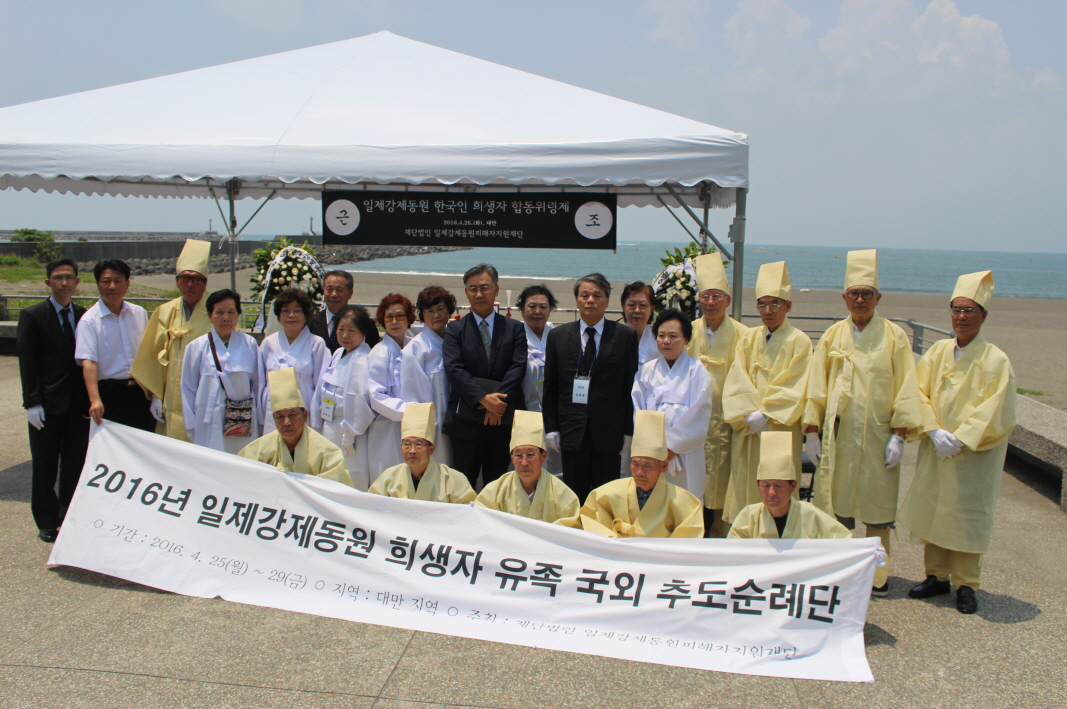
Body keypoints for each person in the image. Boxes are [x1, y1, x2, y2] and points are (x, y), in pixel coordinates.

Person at [803, 250, 922, 595]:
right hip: (838, 436)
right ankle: (840, 569)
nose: (859, 300)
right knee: (835, 504)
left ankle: (877, 576)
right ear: (844, 297)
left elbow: (906, 387)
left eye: (866, 294)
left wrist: (899, 435)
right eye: (854, 293)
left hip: (877, 434)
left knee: (877, 508)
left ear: (878, 298)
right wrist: (812, 429)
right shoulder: (832, 336)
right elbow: (817, 384)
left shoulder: (894, 336)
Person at [897, 271, 1016, 614]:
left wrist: (961, 438)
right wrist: (933, 430)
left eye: (969, 310)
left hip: (973, 454)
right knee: (935, 508)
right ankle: (936, 576)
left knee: (966, 514)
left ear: (983, 315)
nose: (962, 317)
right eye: (956, 310)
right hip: (937, 446)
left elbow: (997, 407)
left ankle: (966, 583)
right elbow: (917, 392)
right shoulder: (937, 352)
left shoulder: (995, 359)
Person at [721, 261, 811, 525]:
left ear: (788, 306)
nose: (768, 311)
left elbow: (797, 383)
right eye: (762, 304)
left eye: (775, 304)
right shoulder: (749, 338)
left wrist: (766, 412)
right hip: (749, 426)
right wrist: (749, 413)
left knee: (777, 488)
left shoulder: (800, 341)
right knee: (745, 487)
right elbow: (737, 377)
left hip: (780, 429)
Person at [543, 273, 639, 501]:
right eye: (584, 295)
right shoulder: (558, 336)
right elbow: (551, 388)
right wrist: (551, 427)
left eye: (597, 295)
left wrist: (628, 430)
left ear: (607, 300)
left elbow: (630, 388)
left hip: (609, 431)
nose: (590, 300)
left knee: (607, 496)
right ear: (576, 299)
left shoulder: (625, 336)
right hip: (571, 430)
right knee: (574, 494)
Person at [17, 258, 90, 543]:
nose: (64, 283)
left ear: (76, 282)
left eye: (69, 277)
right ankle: (46, 521)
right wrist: (31, 403)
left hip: (77, 404)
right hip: (46, 404)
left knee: (74, 463)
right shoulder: (33, 316)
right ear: (48, 282)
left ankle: (68, 514)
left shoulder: (85, 315)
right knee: (45, 465)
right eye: (58, 277)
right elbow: (28, 363)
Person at [443, 264, 527, 489]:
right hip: (465, 422)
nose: (479, 294)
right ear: (466, 292)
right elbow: (454, 369)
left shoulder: (514, 328)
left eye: (484, 287)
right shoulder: (455, 329)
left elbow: (518, 367)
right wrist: (483, 398)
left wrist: (498, 403)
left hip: (502, 419)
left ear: (496, 290)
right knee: (462, 486)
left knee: (498, 486)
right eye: (473, 288)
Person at [558, 410, 703, 538]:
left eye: (648, 465)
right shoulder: (607, 494)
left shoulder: (684, 503)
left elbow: (687, 540)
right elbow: (591, 518)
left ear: (663, 466)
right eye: (635, 464)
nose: (640, 472)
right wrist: (611, 539)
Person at [686, 252, 749, 537]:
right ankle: (692, 531)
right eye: (705, 297)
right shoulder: (688, 333)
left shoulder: (745, 335)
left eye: (716, 296)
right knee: (694, 481)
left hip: (730, 424)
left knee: (727, 481)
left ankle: (722, 534)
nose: (710, 302)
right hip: (694, 425)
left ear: (728, 300)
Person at [131, 239, 213, 441]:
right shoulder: (165, 312)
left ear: (205, 283)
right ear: (177, 282)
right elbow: (151, 354)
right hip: (171, 399)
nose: (190, 284)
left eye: (196, 279)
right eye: (185, 279)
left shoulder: (218, 310)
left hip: (207, 398)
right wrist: (156, 395)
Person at [631, 308, 712, 499]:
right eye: (661, 335)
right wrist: (654, 447)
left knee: (685, 500)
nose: (666, 341)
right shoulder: (647, 370)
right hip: (652, 453)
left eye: (673, 336)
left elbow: (699, 414)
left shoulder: (697, 370)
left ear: (686, 339)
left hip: (685, 453)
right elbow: (638, 408)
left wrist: (670, 448)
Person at [181, 289, 265, 454]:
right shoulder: (196, 347)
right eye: (219, 312)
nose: (226, 318)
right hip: (208, 419)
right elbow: (188, 388)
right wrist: (190, 424)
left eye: (231, 312)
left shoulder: (250, 344)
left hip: (243, 421)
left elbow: (258, 384)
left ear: (238, 315)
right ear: (210, 315)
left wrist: (260, 421)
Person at [728, 432, 852, 540]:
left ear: (793, 486)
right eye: (765, 486)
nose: (772, 492)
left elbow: (845, 541)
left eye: (779, 486)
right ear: (758, 485)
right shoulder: (749, 516)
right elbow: (732, 551)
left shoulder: (811, 514)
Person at [238, 368, 352, 486]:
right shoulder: (258, 450)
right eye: (280, 417)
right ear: (274, 420)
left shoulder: (327, 453)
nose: (286, 422)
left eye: (292, 415)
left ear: (304, 416)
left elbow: (336, 491)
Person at [75, 259, 153, 431]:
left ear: (127, 284)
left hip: (140, 392)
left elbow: (148, 353)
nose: (112, 286)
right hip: (110, 393)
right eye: (106, 281)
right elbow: (89, 362)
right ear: (97, 284)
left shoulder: (138, 313)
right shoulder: (89, 321)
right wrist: (95, 399)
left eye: (118, 281)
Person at [312, 305, 377, 490]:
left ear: (363, 333)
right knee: (329, 473)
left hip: (348, 431)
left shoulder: (362, 358)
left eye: (351, 331)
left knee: (350, 476)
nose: (345, 335)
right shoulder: (338, 353)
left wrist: (351, 433)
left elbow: (361, 399)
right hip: (329, 424)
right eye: (341, 329)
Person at [475, 410, 580, 523]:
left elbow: (570, 528)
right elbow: (480, 518)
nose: (524, 462)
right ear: (511, 458)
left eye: (530, 455)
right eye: (518, 455)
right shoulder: (496, 490)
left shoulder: (561, 493)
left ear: (543, 456)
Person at [368, 403, 476, 503]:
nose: (412, 450)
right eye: (407, 444)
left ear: (431, 449)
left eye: (419, 444)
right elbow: (372, 506)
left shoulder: (452, 478)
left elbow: (467, 511)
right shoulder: (389, 476)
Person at [401, 285, 457, 466]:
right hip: (434, 427)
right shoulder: (415, 349)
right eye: (429, 311)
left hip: (458, 424)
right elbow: (413, 397)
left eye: (440, 309)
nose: (436, 315)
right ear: (422, 315)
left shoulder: (455, 340)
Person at [259, 287, 328, 434]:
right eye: (286, 311)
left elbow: (320, 384)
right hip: (273, 408)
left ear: (305, 316)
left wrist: (317, 418)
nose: (291, 315)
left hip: (303, 407)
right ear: (279, 315)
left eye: (297, 311)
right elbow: (260, 382)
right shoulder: (268, 343)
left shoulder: (316, 343)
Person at [367, 293, 415, 478]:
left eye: (400, 316)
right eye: (389, 317)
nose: (395, 321)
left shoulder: (414, 347)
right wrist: (408, 411)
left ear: (408, 318)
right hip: (386, 428)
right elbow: (375, 396)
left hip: (413, 427)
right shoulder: (379, 353)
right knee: (388, 478)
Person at [517, 283, 562, 475]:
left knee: (554, 467)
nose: (537, 312)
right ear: (522, 310)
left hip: (553, 413)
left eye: (543, 307)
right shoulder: (514, 336)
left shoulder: (557, 336)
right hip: (524, 412)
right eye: (531, 306)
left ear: (550, 311)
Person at [309, 270, 354, 352]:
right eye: (329, 289)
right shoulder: (310, 322)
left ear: (350, 293)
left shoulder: (364, 324)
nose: (333, 294)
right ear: (323, 292)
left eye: (339, 290)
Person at [620, 281, 659, 366]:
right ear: (623, 307)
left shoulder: (659, 338)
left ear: (652, 309)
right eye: (632, 305)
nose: (637, 310)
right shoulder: (613, 336)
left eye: (643, 305)